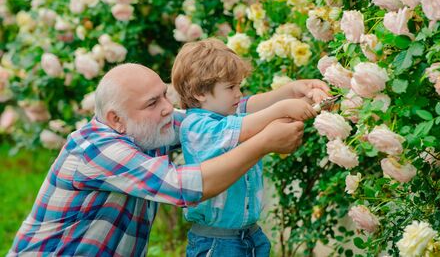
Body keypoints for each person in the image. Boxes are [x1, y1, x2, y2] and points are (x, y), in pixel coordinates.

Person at [7, 63, 307, 256]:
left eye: (165, 96)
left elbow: (212, 121)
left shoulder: (147, 127)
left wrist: (286, 94)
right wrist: (263, 144)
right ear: (116, 119)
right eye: (153, 103)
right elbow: (185, 187)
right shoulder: (97, 150)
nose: (167, 108)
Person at [171, 38, 330, 257]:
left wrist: (293, 92)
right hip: (215, 242)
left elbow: (248, 113)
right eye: (230, 87)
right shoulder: (196, 126)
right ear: (200, 93)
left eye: (238, 86)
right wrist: (281, 109)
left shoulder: (227, 113)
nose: (238, 93)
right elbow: (240, 127)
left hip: (248, 235)